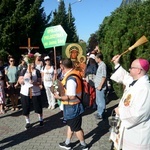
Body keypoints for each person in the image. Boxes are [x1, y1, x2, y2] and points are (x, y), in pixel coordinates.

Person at [110, 55, 150, 150]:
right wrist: (116, 63)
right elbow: (124, 76)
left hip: (136, 134)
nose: (129, 69)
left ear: (138, 70)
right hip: (126, 131)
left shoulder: (145, 88)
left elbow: (139, 113)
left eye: (131, 68)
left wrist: (120, 111)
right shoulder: (135, 82)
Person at [53, 58, 88, 150]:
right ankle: (67, 143)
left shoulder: (71, 79)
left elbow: (72, 96)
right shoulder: (71, 74)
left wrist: (59, 97)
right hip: (70, 106)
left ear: (62, 67)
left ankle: (83, 145)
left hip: (73, 106)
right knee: (71, 125)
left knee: (76, 128)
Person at [18, 59, 43, 130]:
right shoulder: (23, 71)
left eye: (33, 63)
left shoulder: (37, 71)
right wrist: (24, 80)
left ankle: (40, 119)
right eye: (30, 63)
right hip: (25, 92)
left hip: (35, 92)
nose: (32, 64)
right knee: (26, 107)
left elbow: (40, 82)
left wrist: (34, 83)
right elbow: (20, 81)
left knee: (38, 106)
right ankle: (27, 122)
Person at [94, 52, 107, 119]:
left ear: (99, 58)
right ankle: (99, 112)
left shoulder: (103, 65)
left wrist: (100, 86)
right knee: (98, 100)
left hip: (100, 87)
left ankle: (101, 113)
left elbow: (103, 76)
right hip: (98, 86)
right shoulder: (100, 65)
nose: (95, 59)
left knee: (101, 100)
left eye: (96, 58)